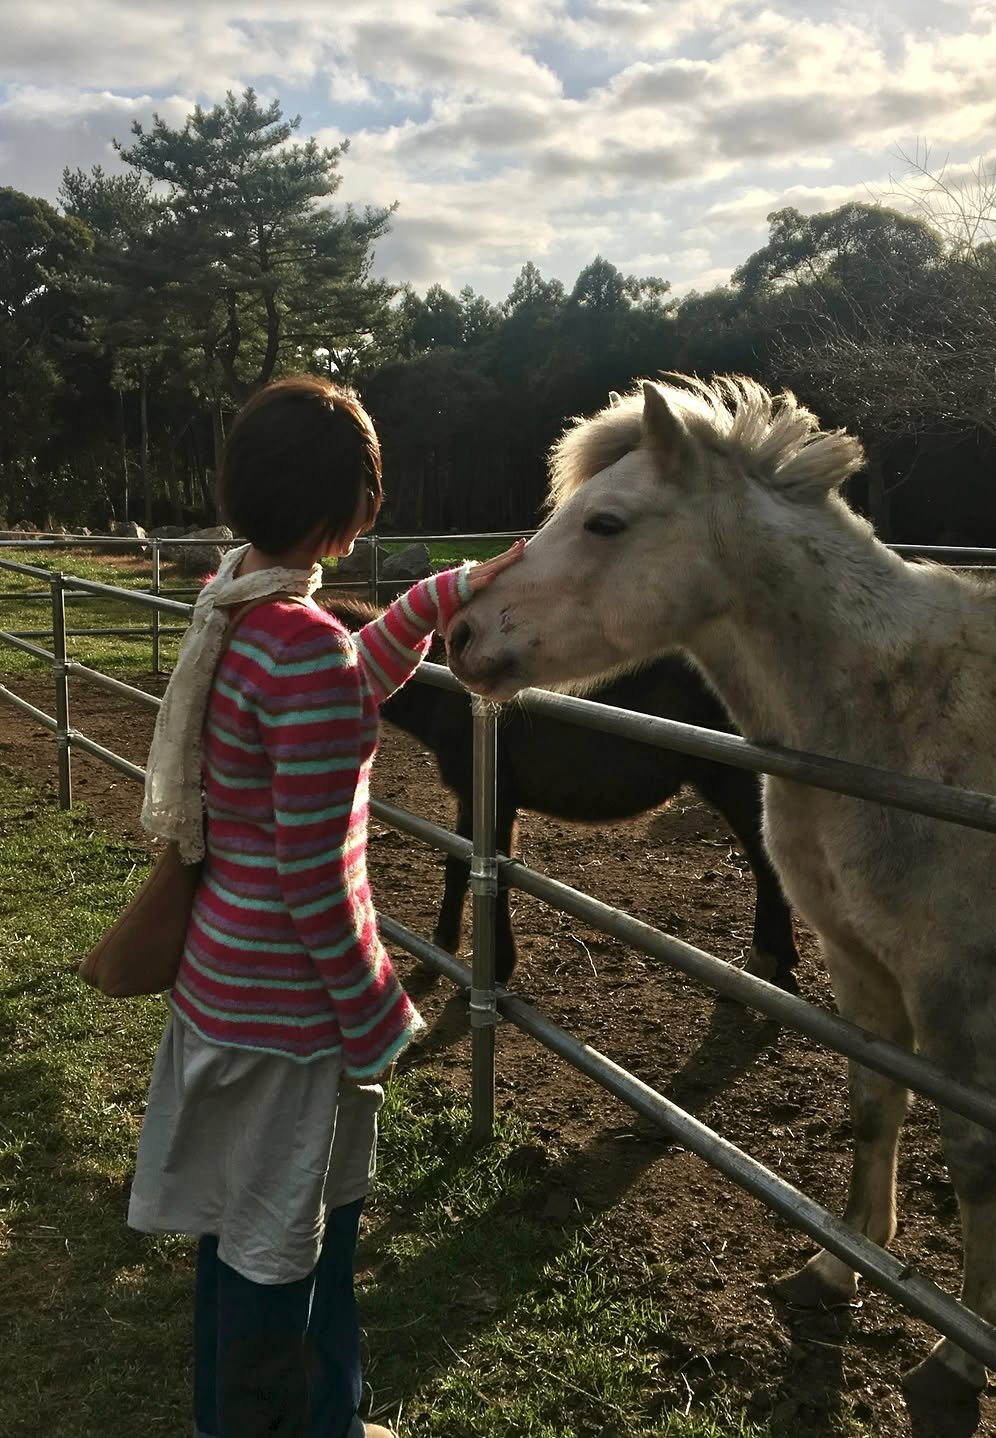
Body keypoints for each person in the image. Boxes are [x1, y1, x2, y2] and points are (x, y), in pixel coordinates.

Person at [127, 374, 523, 1438]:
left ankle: (316, 1420)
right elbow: (312, 872)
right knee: (276, 1252)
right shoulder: (294, 645)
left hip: (232, 983)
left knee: (256, 1230)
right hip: (288, 1011)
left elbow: (353, 675)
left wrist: (452, 591)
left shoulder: (242, 598)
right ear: (347, 510)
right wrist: (375, 1010)